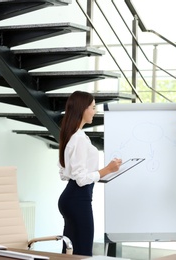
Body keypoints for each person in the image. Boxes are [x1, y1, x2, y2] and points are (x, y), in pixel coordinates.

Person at [57, 91, 122, 256]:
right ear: (82, 109)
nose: (95, 111)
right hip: (78, 199)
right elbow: (80, 179)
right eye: (93, 107)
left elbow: (64, 173)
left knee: (71, 251)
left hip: (72, 198)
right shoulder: (78, 138)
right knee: (83, 252)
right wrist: (107, 169)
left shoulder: (72, 135)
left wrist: (104, 172)